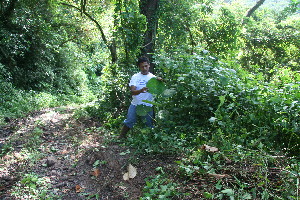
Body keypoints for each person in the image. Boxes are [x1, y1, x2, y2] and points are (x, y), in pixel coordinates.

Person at [119, 56, 162, 138]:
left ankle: (148, 142)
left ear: (149, 65)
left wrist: (160, 82)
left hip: (148, 105)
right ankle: (121, 137)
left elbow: (159, 91)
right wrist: (140, 91)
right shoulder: (135, 77)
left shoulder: (153, 77)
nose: (144, 68)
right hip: (135, 104)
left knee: (148, 125)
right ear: (139, 67)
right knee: (129, 121)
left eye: (146, 66)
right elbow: (132, 92)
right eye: (142, 66)